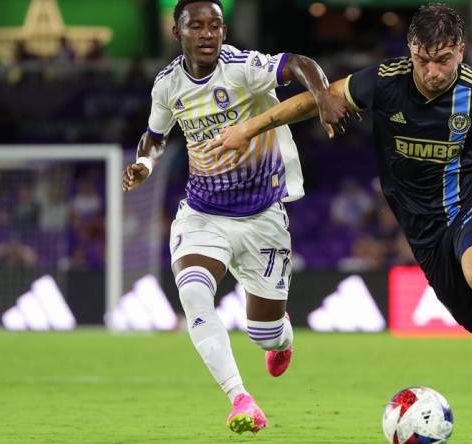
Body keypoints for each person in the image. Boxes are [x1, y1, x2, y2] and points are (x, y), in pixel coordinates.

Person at [209, 4, 472, 442]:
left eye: (443, 60)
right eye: (424, 59)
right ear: (411, 50)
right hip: (424, 231)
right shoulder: (384, 82)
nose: (433, 71)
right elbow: (315, 100)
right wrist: (248, 129)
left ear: (461, 50)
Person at [122, 0, 350, 435]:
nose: (208, 34)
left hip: (262, 216)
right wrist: (144, 165)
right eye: (197, 26)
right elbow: (154, 137)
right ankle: (240, 398)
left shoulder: (243, 67)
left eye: (215, 26)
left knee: (264, 333)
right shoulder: (168, 85)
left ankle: (279, 336)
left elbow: (300, 63)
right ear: (178, 33)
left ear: (224, 31)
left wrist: (322, 97)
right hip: (202, 215)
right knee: (193, 294)